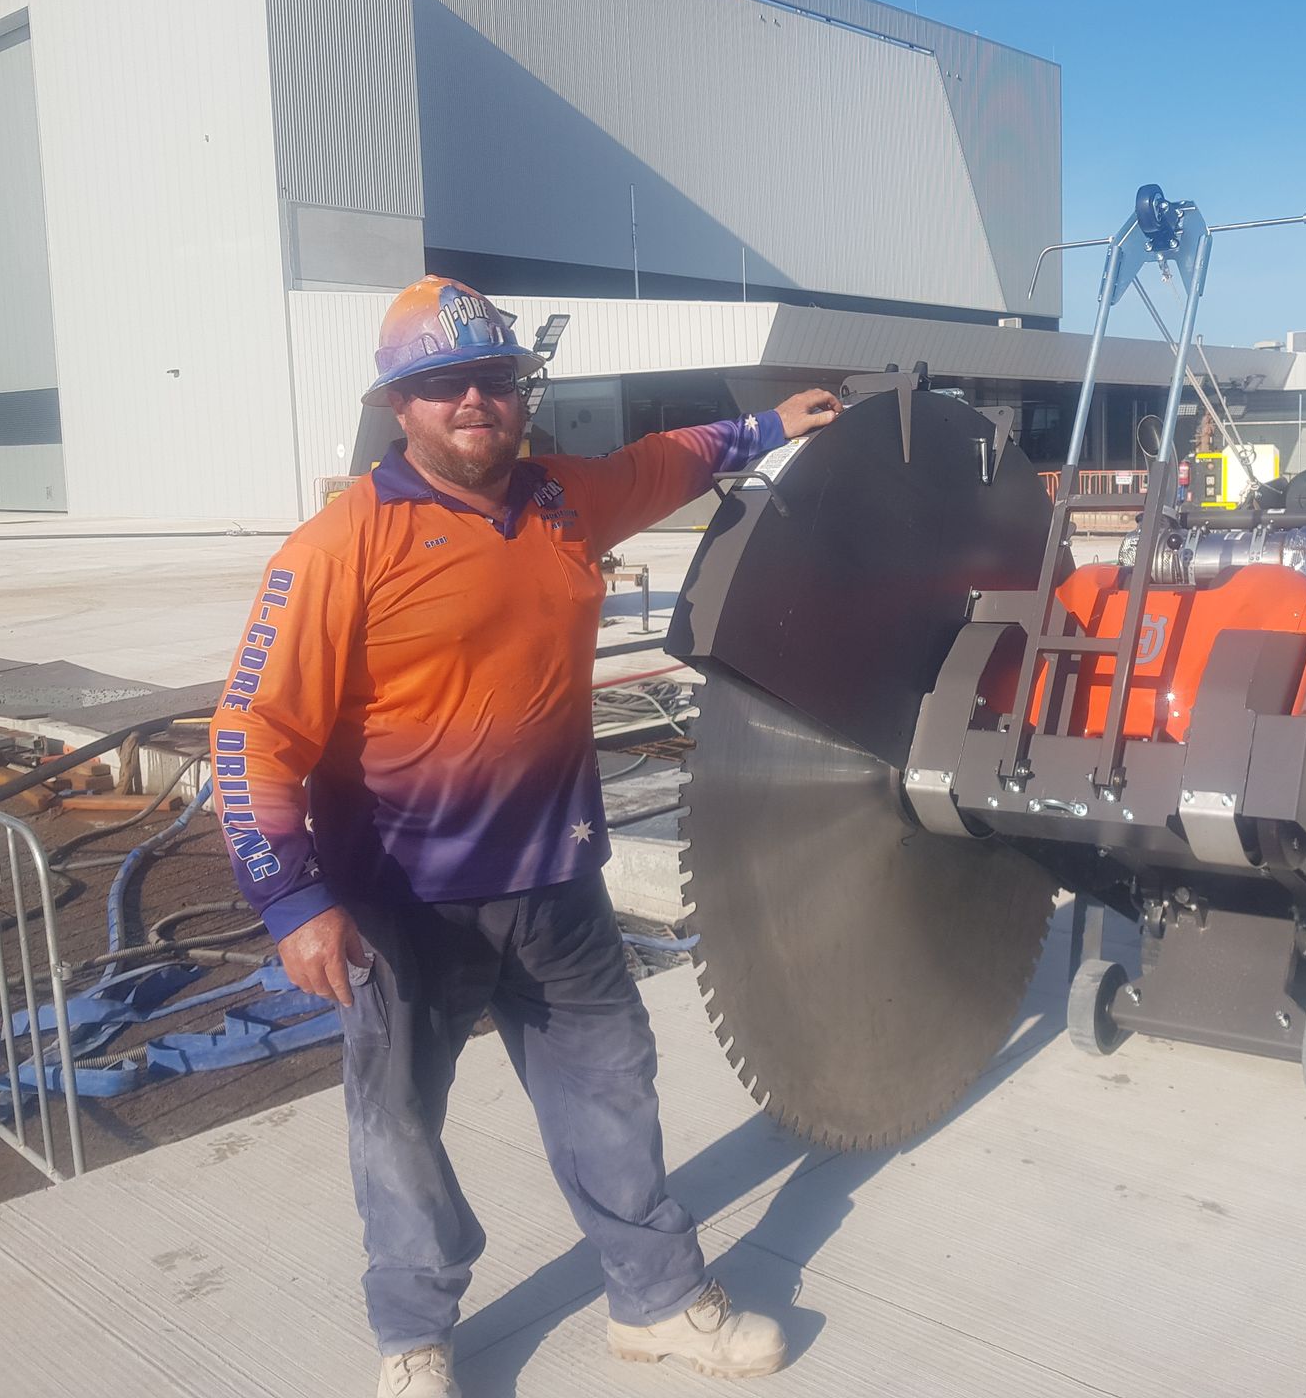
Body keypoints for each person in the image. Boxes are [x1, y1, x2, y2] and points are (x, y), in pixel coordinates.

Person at [213, 276, 841, 1397]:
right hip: (405, 909)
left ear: (519, 395)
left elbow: (664, 460)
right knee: (397, 1128)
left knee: (613, 1095)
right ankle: (413, 1335)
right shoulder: (339, 546)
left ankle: (653, 1303)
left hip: (559, 891)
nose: (474, 402)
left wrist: (761, 427)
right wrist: (294, 900)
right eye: (442, 384)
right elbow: (250, 733)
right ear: (398, 405)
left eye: (494, 381)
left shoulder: (563, 499)